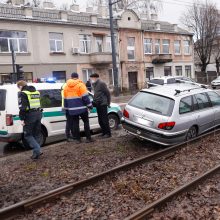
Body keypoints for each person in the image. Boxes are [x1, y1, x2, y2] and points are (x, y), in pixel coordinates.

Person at [63, 72, 94, 144]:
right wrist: (90, 106)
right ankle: (88, 138)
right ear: (77, 77)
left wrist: (66, 109)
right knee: (86, 122)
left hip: (72, 110)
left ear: (71, 77)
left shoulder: (66, 87)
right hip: (82, 108)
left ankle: (78, 139)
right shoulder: (81, 85)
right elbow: (85, 97)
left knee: (75, 124)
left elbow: (65, 99)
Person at [17, 80, 43, 159]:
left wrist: (22, 119)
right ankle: (36, 154)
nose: (19, 89)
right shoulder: (36, 92)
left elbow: (23, 108)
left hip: (29, 116)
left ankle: (38, 150)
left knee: (28, 135)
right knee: (36, 133)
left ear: (21, 86)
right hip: (38, 113)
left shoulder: (23, 93)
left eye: (18, 87)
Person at [90, 73, 111, 138]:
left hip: (103, 104)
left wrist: (108, 103)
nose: (91, 79)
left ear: (96, 78)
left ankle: (108, 133)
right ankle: (104, 132)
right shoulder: (94, 84)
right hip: (98, 104)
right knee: (100, 120)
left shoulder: (101, 83)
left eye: (92, 78)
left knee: (104, 120)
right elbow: (96, 95)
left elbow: (108, 93)